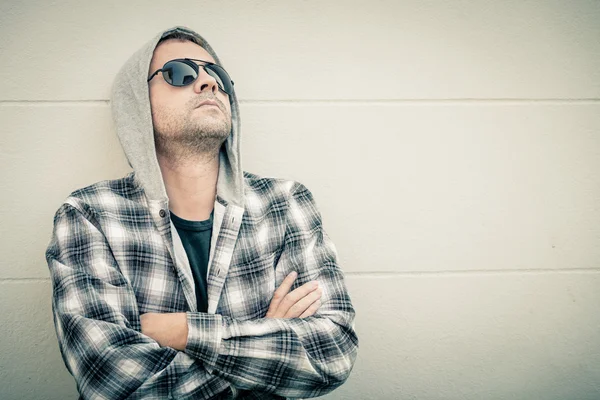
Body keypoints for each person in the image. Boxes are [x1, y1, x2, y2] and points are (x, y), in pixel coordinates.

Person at [45, 26, 358, 400]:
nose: (209, 83)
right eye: (180, 73)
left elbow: (333, 352)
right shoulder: (90, 215)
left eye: (218, 75)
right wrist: (265, 340)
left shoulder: (285, 203)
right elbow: (113, 380)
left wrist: (185, 332)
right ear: (136, 103)